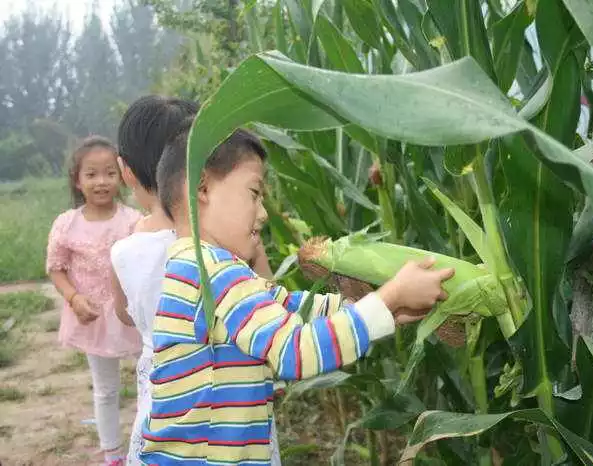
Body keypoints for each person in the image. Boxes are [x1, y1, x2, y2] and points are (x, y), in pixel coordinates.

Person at [140, 122, 454, 465]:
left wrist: (387, 310)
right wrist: (390, 296)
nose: (262, 213)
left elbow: (292, 309)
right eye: (254, 193)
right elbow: (293, 351)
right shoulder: (213, 272)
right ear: (202, 187)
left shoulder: (199, 267)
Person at [110, 95, 277, 465]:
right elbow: (272, 304)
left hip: (165, 411)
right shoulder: (229, 243)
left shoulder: (125, 252)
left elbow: (123, 313)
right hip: (236, 406)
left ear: (126, 172)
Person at [46, 136, 143, 466]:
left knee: (148, 380)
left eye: (109, 173)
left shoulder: (133, 221)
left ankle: (147, 446)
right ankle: (113, 454)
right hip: (94, 319)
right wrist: (73, 299)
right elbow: (56, 269)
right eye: (91, 174)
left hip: (132, 317)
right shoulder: (67, 224)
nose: (101, 181)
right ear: (77, 179)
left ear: (121, 176)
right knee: (105, 389)